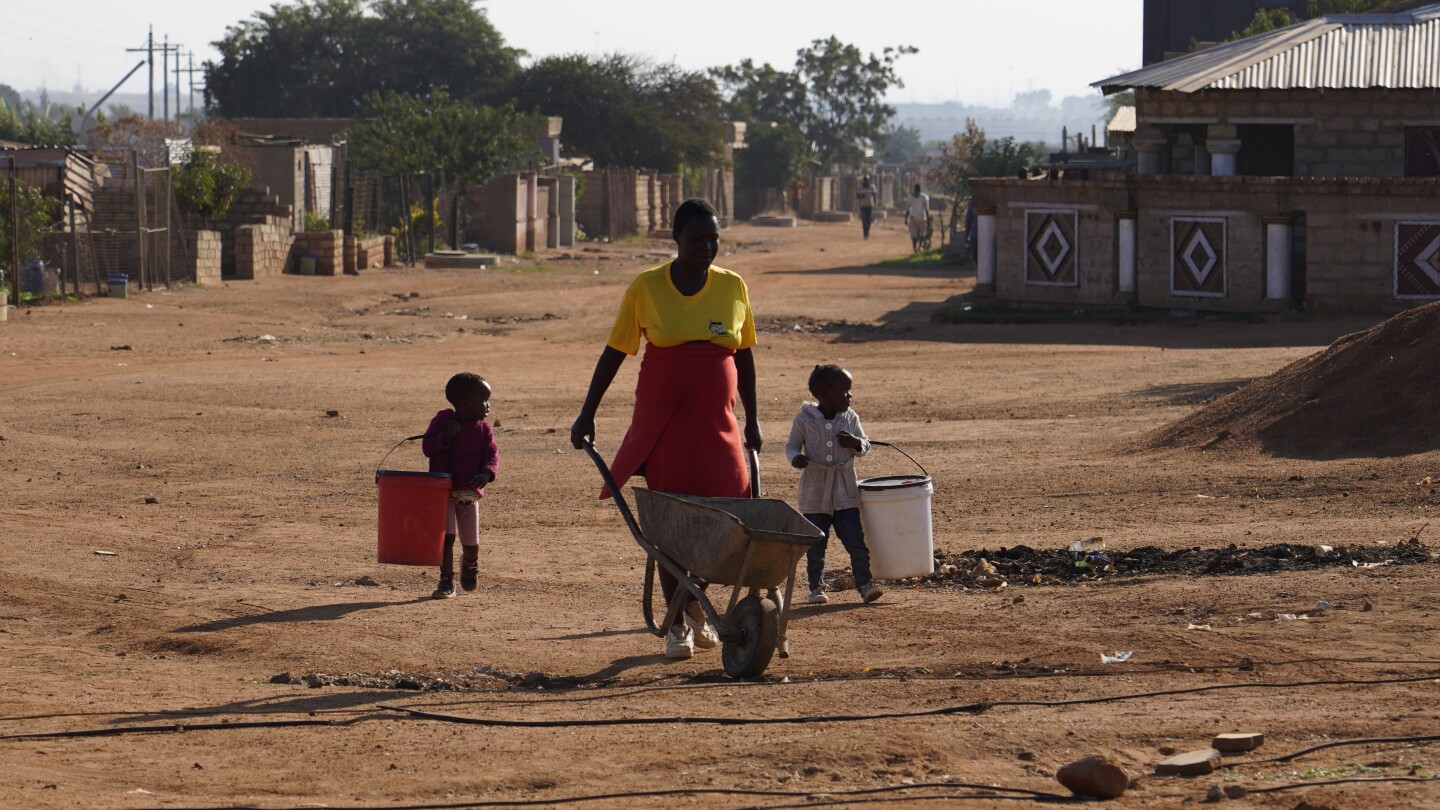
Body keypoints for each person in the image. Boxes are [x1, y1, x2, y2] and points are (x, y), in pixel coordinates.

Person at [571, 198, 762, 661]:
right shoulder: (647, 288)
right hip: (665, 424)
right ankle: (677, 625)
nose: (707, 247)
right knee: (671, 527)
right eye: (697, 239)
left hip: (718, 427)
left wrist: (753, 420)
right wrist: (587, 412)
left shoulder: (733, 286)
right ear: (675, 239)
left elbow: (745, 355)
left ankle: (698, 614)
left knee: (723, 521)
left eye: (714, 238)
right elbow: (615, 351)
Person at [785, 364, 883, 605]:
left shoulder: (851, 418)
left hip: (844, 490)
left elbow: (866, 446)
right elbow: (791, 446)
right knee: (816, 544)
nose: (850, 396)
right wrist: (796, 459)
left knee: (855, 540)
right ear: (825, 392)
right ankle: (816, 588)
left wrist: (856, 443)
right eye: (845, 390)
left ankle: (865, 584)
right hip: (815, 492)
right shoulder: (804, 419)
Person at [421, 372, 499, 599]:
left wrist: (486, 473)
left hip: (468, 492)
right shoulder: (444, 420)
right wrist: (446, 436)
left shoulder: (483, 429)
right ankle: (446, 580)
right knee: (446, 537)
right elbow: (428, 447)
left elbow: (492, 454)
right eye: (484, 399)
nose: (488, 404)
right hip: (443, 491)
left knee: (470, 540)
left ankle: (470, 564)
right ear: (465, 403)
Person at [904, 183, 930, 253]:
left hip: (914, 218)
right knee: (921, 234)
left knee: (914, 235)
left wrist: (906, 218)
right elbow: (927, 209)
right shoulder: (924, 197)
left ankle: (915, 247)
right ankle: (918, 246)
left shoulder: (910, 197)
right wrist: (928, 219)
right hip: (921, 218)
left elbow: (908, 209)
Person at [856, 175, 878, 240]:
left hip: (870, 205)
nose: (866, 182)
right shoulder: (860, 188)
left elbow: (875, 194)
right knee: (864, 220)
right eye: (865, 180)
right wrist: (862, 196)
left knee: (868, 220)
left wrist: (871, 194)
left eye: (867, 180)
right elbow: (857, 196)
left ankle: (867, 232)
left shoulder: (872, 187)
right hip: (863, 206)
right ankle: (865, 233)